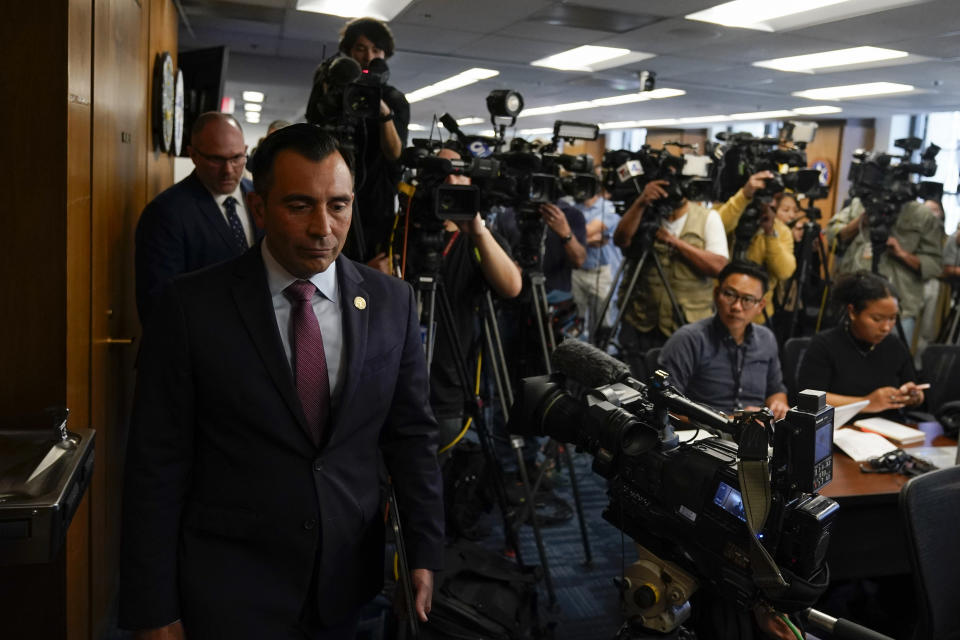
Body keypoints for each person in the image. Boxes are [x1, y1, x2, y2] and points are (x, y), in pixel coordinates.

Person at [119, 124, 444, 639]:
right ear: (259, 208)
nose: (323, 227)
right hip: (229, 587)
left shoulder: (391, 303)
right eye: (300, 205)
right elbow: (155, 467)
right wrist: (153, 607)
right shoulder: (189, 308)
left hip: (344, 582)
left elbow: (412, 438)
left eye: (338, 205)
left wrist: (424, 550)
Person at [423, 147, 522, 452]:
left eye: (460, 171)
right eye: (443, 172)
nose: (452, 178)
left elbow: (512, 287)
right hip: (390, 382)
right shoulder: (404, 229)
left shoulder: (478, 238)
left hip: (447, 388)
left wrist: (477, 232)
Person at [135, 112, 262, 324]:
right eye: (216, 159)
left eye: (236, 158)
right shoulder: (166, 212)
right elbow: (159, 302)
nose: (228, 170)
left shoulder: (261, 199)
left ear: (246, 152)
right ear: (193, 155)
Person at [308, 17, 409, 263]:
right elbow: (314, 125)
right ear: (349, 52)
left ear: (385, 55)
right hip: (331, 193)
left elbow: (395, 154)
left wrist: (382, 110)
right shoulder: (332, 93)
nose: (368, 56)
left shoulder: (394, 99)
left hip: (375, 203)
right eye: (361, 48)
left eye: (376, 50)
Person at [613, 174, 729, 370]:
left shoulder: (708, 218)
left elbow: (719, 267)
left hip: (686, 324)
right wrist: (641, 202)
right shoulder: (646, 211)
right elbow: (621, 240)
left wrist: (675, 243)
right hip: (642, 321)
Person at [659, 260, 789, 419]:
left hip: (757, 433)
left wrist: (778, 405)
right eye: (729, 294)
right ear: (716, 294)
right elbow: (665, 408)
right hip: (703, 436)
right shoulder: (688, 340)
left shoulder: (766, 339)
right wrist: (730, 423)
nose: (736, 306)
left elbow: (776, 390)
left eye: (747, 299)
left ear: (761, 305)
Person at [798, 271, 925, 420]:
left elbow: (915, 391)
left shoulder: (894, 345)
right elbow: (810, 399)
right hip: (841, 428)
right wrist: (866, 402)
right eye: (877, 319)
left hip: (889, 428)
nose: (886, 327)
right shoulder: (825, 345)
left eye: (892, 318)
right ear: (852, 312)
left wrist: (914, 397)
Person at [826, 196, 944, 345]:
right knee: (843, 359)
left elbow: (935, 265)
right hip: (854, 301)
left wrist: (902, 254)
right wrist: (861, 221)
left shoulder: (921, 214)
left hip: (900, 309)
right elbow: (831, 235)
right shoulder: (860, 204)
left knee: (890, 362)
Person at [718, 173, 797, 318]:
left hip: (759, 315)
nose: (769, 203)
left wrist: (770, 232)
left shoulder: (781, 231)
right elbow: (715, 228)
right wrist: (744, 196)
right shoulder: (733, 212)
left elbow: (784, 271)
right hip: (722, 308)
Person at [569, 188, 620, 336]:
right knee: (576, 321)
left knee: (603, 322)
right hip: (577, 271)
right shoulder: (573, 207)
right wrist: (589, 239)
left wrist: (570, 238)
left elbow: (589, 230)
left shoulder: (607, 207)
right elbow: (588, 234)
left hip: (599, 272)